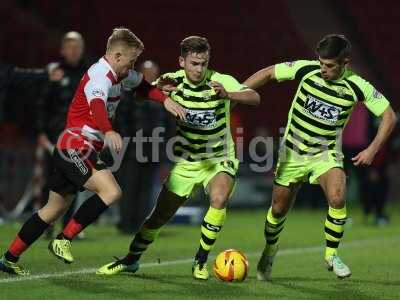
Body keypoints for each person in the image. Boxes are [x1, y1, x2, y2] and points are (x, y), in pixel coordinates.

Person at [0, 27, 185, 276]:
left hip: (74, 147)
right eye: (132, 60)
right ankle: (63, 239)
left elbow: (143, 86)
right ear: (117, 56)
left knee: (53, 210)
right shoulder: (100, 75)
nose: (134, 65)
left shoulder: (122, 74)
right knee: (111, 191)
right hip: (75, 145)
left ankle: (9, 258)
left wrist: (165, 100)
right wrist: (108, 131)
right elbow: (97, 106)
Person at [96, 36, 260, 280]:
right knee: (158, 217)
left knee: (218, 197)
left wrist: (229, 95)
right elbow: (139, 98)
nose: (199, 69)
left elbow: (255, 98)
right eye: (194, 63)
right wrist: (159, 91)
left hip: (219, 158)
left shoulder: (220, 81)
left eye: (203, 63)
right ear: (182, 61)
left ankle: (201, 260)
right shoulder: (172, 80)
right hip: (187, 162)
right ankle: (131, 260)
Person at [243, 34, 397, 280]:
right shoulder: (307, 69)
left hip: (326, 154)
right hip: (292, 153)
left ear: (345, 62)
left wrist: (372, 149)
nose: (323, 69)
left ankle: (331, 254)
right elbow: (269, 72)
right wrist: (238, 92)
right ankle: (270, 251)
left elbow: (389, 115)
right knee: (278, 209)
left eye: (330, 65)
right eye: (321, 63)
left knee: (337, 197)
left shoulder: (358, 85)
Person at [36, 31, 88, 239]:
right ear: (63, 50)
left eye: (77, 47)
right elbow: (41, 106)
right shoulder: (53, 73)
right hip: (54, 137)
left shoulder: (89, 73)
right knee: (50, 182)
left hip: (78, 138)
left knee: (74, 182)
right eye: (70, 47)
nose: (74, 51)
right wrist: (40, 132)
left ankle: (68, 226)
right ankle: (45, 225)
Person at [114, 60, 174, 234]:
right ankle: (126, 223)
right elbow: (122, 120)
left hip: (154, 149)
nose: (150, 76)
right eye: (147, 72)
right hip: (132, 149)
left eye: (153, 72)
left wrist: (164, 144)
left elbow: (170, 123)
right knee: (130, 186)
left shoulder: (163, 96)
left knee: (147, 189)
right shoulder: (129, 94)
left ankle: (140, 223)